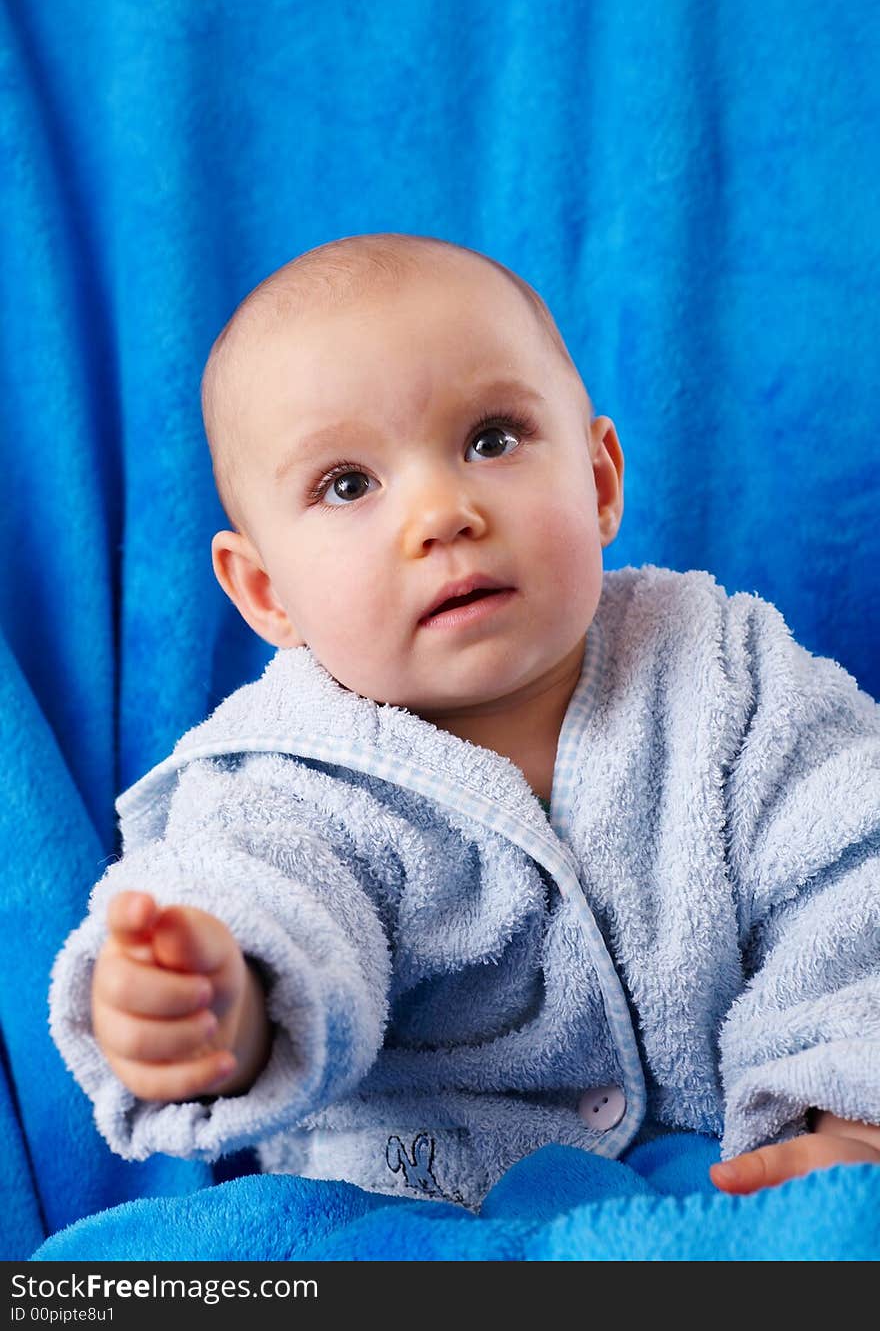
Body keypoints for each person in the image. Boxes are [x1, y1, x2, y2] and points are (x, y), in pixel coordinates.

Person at [49, 233, 880, 1209]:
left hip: (724, 1176)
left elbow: (851, 879)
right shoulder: (282, 771)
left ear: (601, 481)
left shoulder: (725, 671)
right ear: (266, 590)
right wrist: (212, 994)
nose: (442, 511)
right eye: (348, 483)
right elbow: (252, 887)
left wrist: (844, 1108)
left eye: (490, 438)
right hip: (414, 1214)